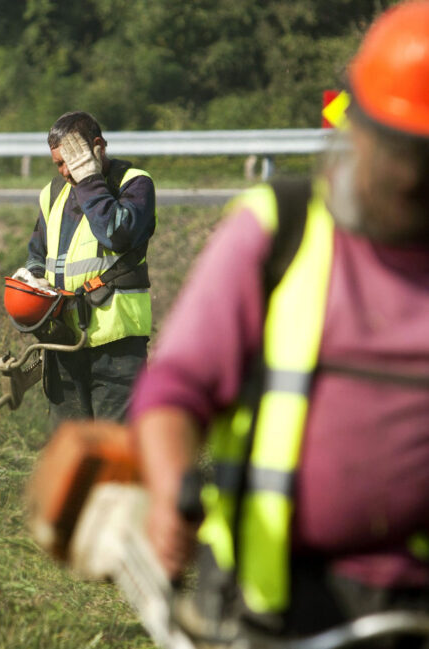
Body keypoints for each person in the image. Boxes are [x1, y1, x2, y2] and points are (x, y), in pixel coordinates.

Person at [130, 2, 429, 644]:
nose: (410, 178)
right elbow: (175, 387)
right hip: (272, 612)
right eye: (402, 154)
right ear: (359, 128)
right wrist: (170, 490)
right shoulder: (278, 233)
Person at [13, 111, 156, 425]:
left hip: (117, 344)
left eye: (71, 161)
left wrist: (89, 180)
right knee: (71, 449)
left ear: (98, 147)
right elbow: (37, 255)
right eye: (59, 164)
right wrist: (31, 284)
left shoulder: (134, 184)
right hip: (64, 340)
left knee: (115, 451)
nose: (65, 172)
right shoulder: (53, 194)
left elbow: (116, 234)